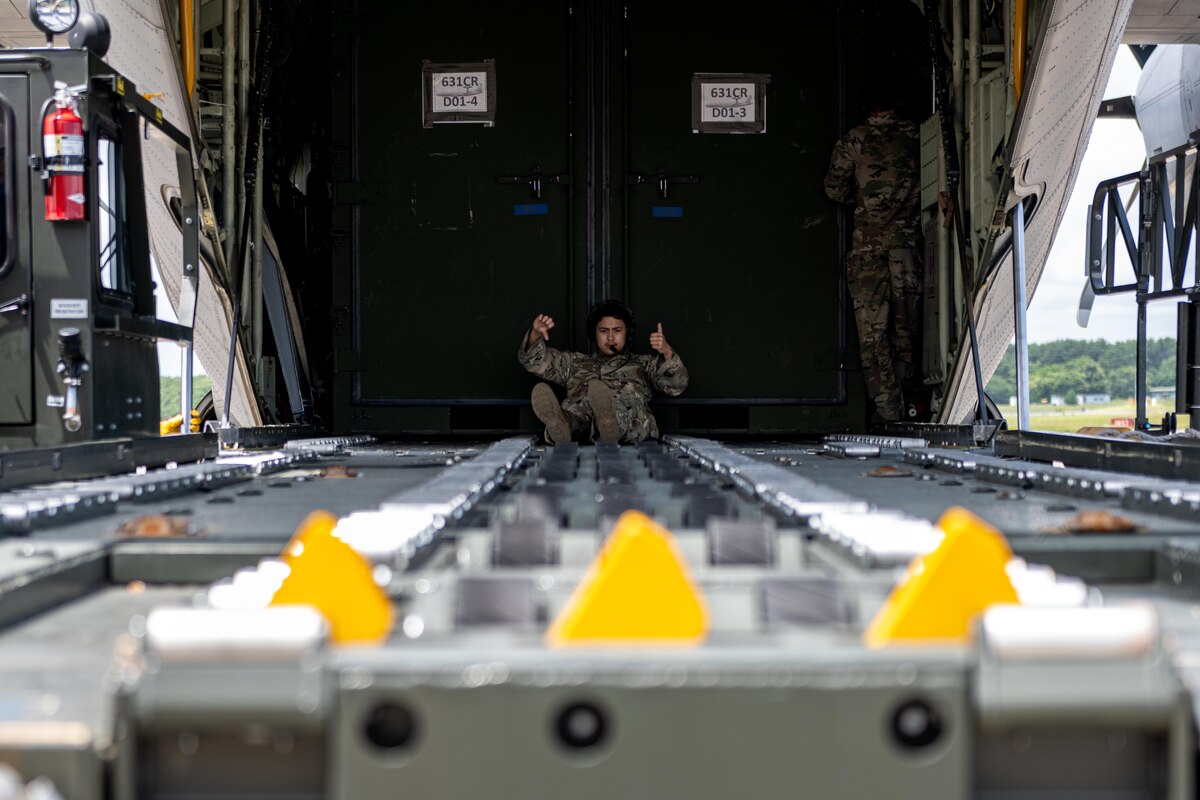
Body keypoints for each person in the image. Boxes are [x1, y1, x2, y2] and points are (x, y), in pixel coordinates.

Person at [824, 85, 922, 424]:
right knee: (907, 327)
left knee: (872, 334)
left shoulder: (856, 139)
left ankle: (888, 412)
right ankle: (911, 398)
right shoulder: (917, 135)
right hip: (906, 246)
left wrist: (866, 201)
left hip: (868, 248)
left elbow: (834, 189)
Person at [518, 300, 688, 444]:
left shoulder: (643, 364)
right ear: (594, 334)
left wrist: (666, 352)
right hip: (582, 419)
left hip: (629, 422)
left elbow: (676, 386)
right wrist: (535, 335)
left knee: (624, 409)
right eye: (604, 331)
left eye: (617, 330)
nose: (611, 338)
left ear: (627, 334)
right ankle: (561, 425)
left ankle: (609, 423)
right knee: (574, 412)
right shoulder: (575, 363)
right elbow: (536, 362)